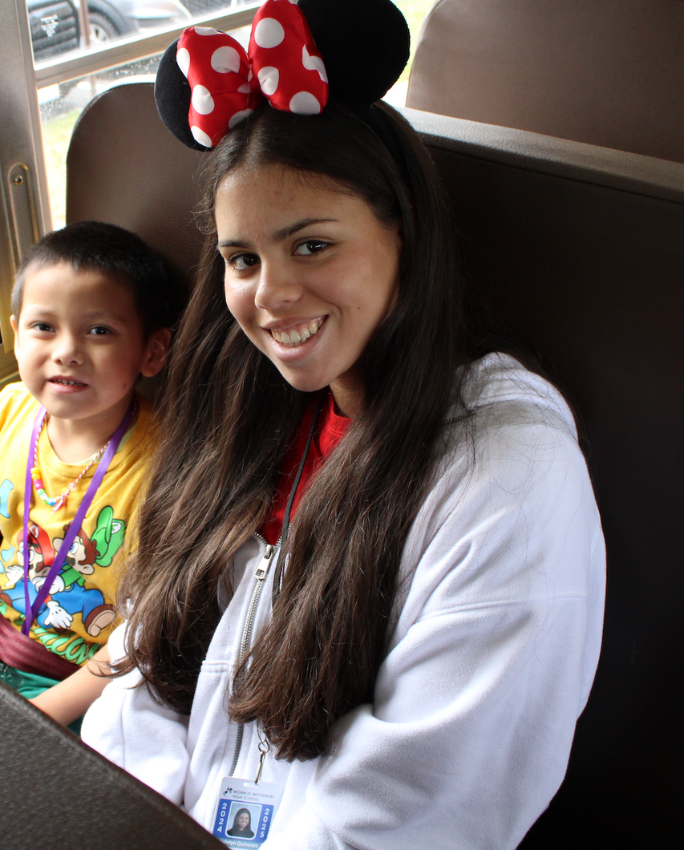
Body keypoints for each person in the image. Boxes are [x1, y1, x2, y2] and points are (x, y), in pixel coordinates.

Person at [81, 1, 605, 847]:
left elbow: (424, 804)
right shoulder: (240, 408)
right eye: (242, 260)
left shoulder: (508, 476)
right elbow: (151, 664)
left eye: (313, 246)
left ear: (405, 234)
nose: (270, 296)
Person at [0, 221, 176, 731]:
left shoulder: (165, 465)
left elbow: (148, 628)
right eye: (44, 327)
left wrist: (51, 711)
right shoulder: (8, 411)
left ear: (151, 352)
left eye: (99, 331)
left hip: (89, 684)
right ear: (16, 333)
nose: (67, 351)